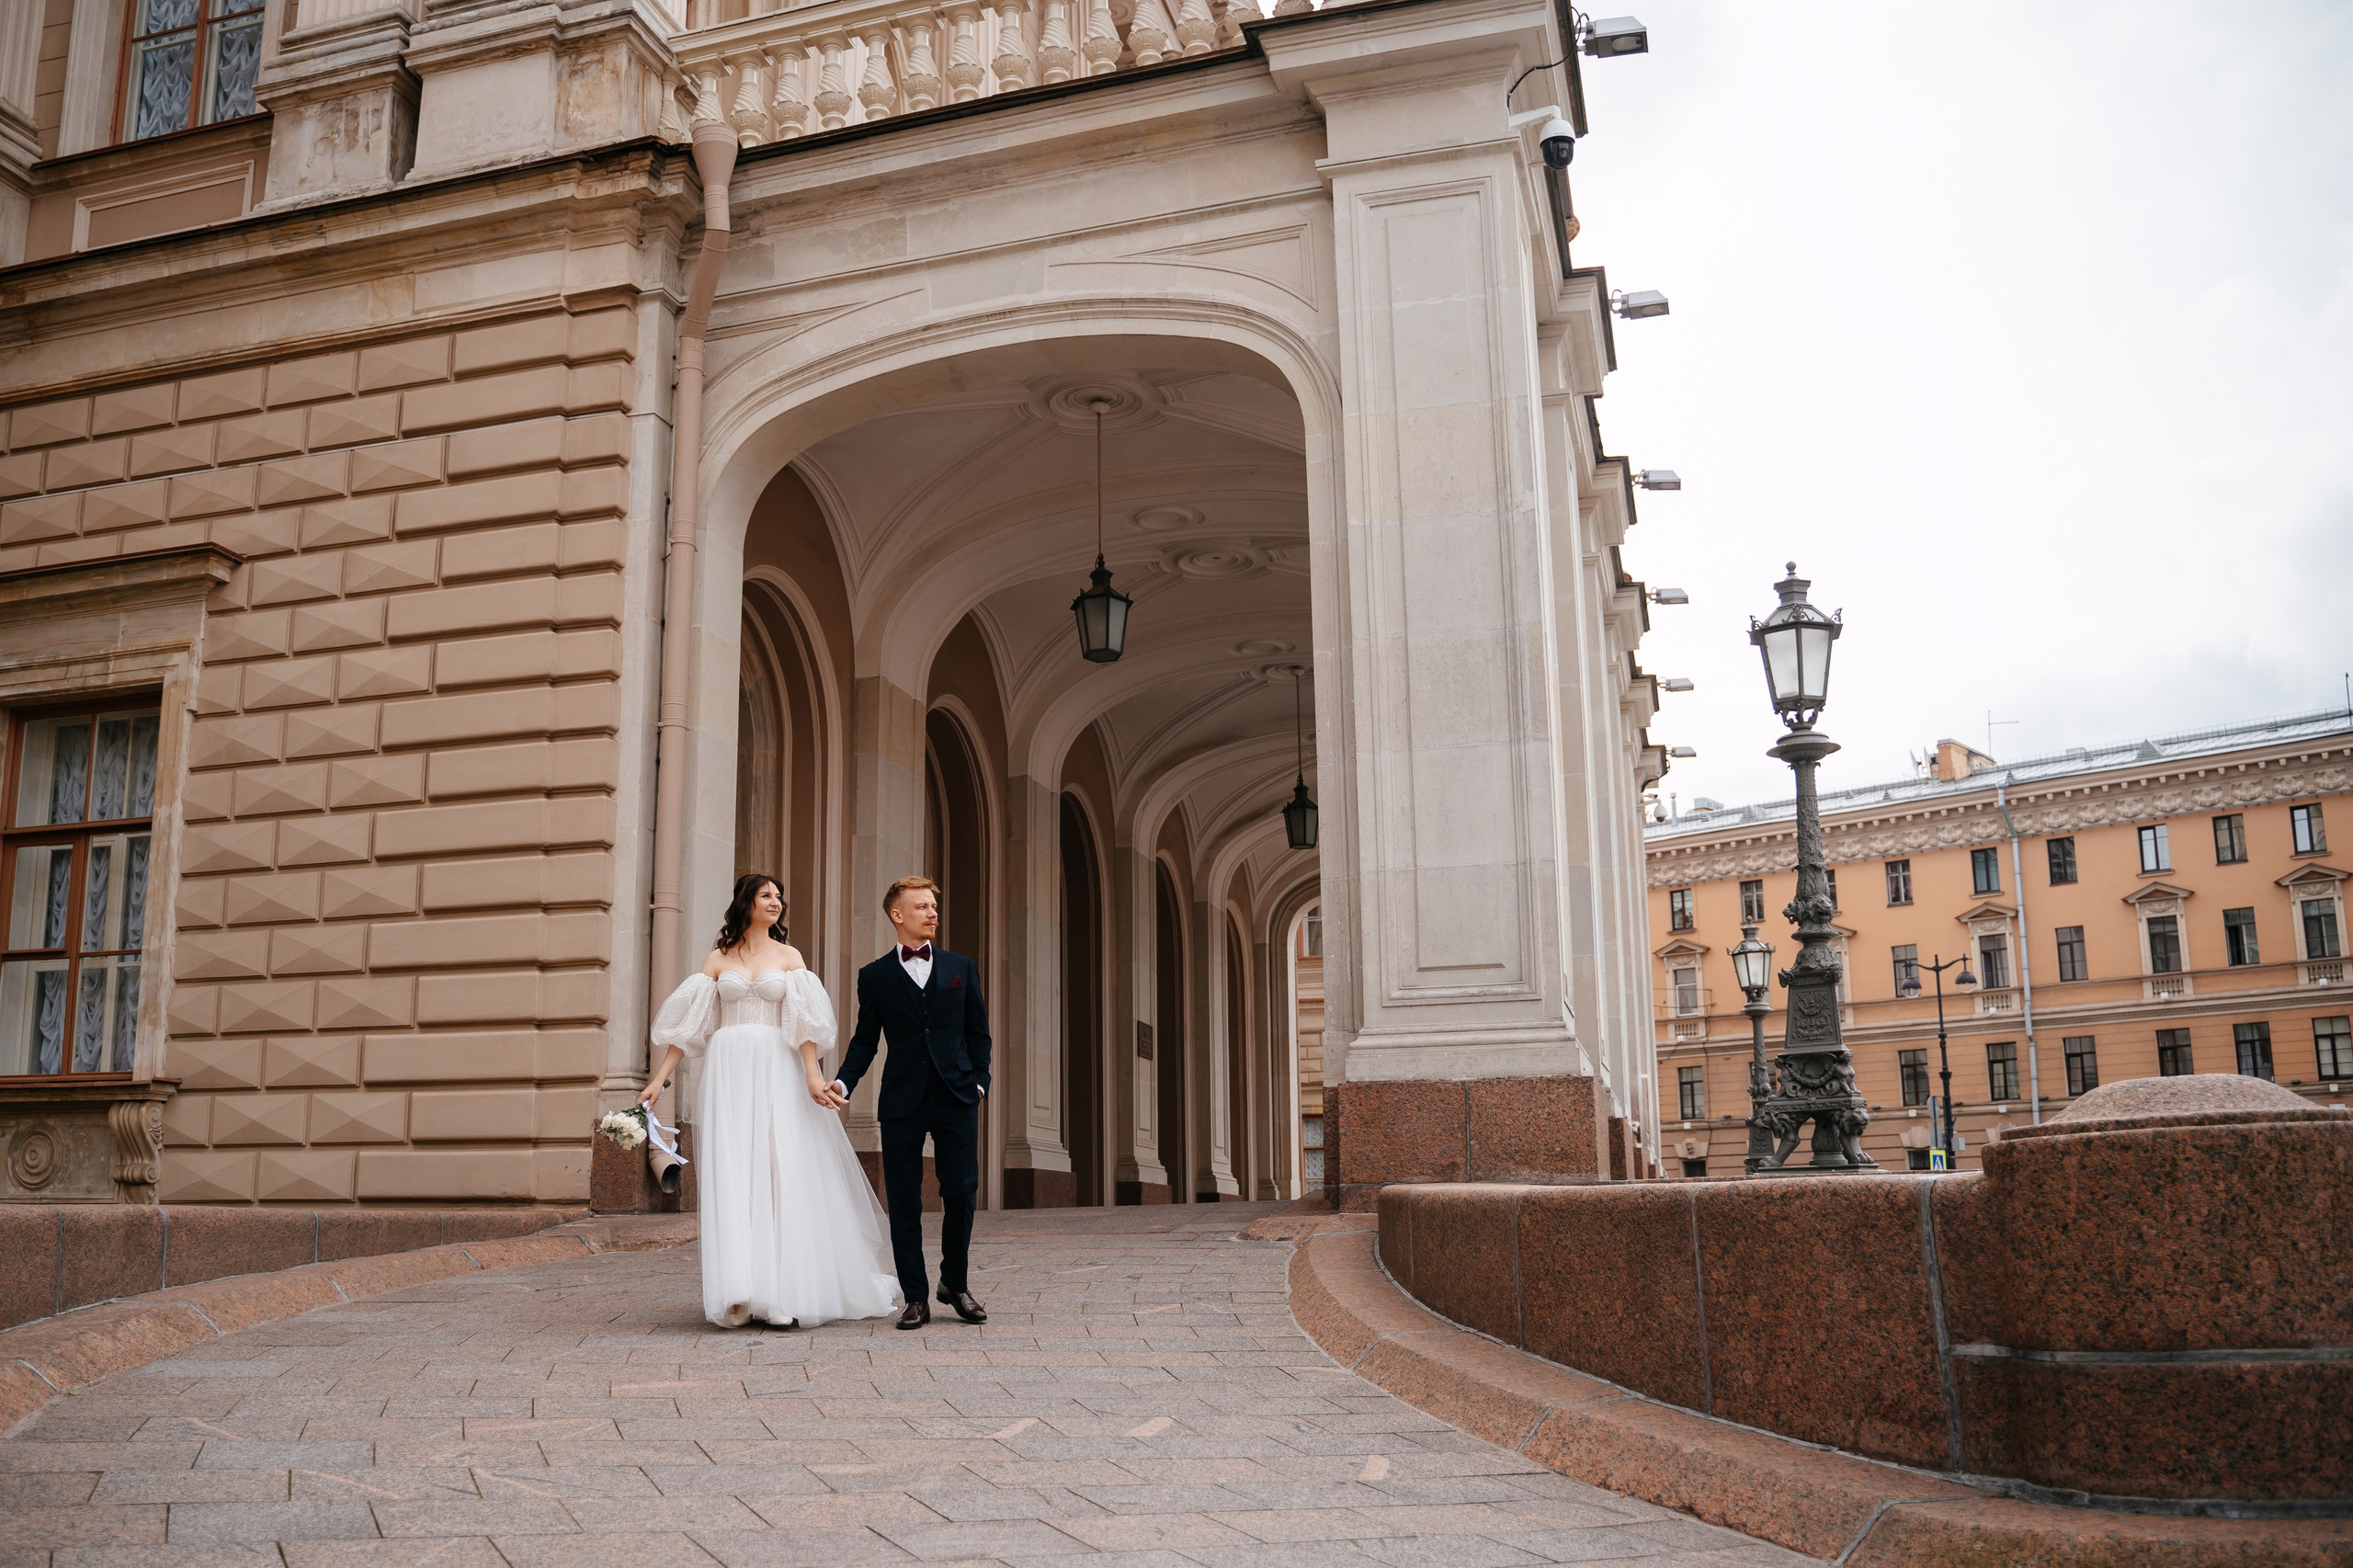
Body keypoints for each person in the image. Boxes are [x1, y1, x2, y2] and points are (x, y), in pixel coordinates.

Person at [640, 873, 901, 1329]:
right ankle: (738, 1291)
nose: (776, 902)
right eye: (767, 895)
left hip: (778, 1070)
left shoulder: (788, 956)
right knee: (735, 1174)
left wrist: (813, 1074)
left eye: (780, 896)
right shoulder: (718, 959)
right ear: (747, 902)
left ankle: (783, 1290)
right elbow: (689, 1027)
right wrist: (659, 1079)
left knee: (781, 1170)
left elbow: (804, 1024)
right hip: (729, 1071)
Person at [832, 876, 992, 1330]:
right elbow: (866, 1042)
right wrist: (844, 1084)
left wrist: (979, 1082)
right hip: (902, 1100)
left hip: (958, 1095)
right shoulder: (875, 976)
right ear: (897, 915)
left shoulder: (961, 966)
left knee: (960, 1191)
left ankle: (955, 1285)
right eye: (922, 906)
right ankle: (916, 1297)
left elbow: (978, 1032)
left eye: (934, 906)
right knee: (904, 1200)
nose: (932, 913)